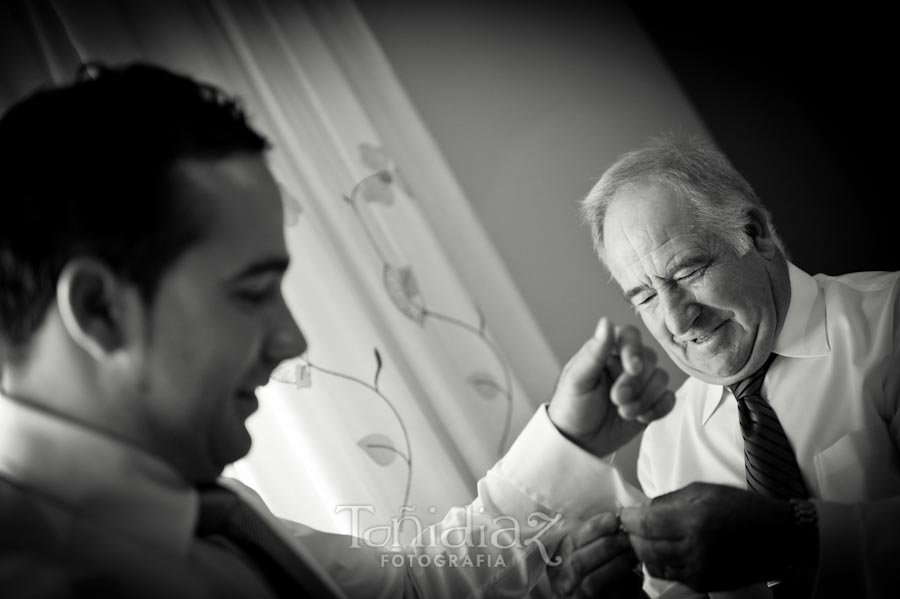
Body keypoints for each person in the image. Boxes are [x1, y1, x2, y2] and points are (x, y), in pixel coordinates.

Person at [0, 62, 674, 598]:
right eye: (253, 292)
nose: (292, 339)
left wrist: (572, 435)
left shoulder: (205, 504)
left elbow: (411, 590)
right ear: (99, 309)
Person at [546, 137, 900, 598]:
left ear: (755, 235)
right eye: (647, 296)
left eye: (688, 272)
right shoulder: (663, 442)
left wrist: (794, 534)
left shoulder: (891, 321)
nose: (676, 319)